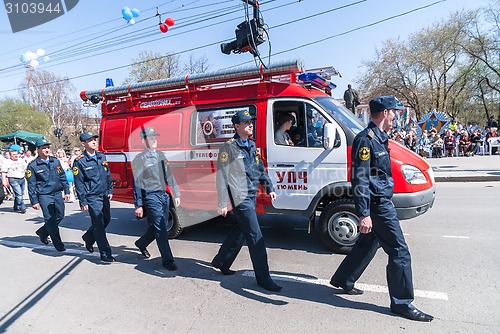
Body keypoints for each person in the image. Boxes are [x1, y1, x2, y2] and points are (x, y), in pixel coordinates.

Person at [330, 95, 433, 322]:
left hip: (381, 201)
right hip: (377, 205)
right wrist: (364, 213)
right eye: (394, 112)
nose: (396, 115)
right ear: (385, 113)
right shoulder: (365, 140)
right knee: (399, 251)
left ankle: (343, 279)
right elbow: (360, 179)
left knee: (369, 242)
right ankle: (402, 303)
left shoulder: (380, 137)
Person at [211, 110, 282, 292]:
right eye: (246, 122)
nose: (251, 125)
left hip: (251, 195)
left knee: (242, 230)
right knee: (255, 236)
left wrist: (269, 188)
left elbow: (259, 169)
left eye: (251, 121)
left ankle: (222, 260)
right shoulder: (229, 148)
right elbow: (221, 177)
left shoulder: (251, 145)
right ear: (237, 126)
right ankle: (264, 279)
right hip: (239, 197)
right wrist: (221, 202)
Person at [132, 127, 181, 271]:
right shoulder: (139, 159)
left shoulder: (161, 156)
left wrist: (176, 193)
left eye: (155, 138)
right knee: (161, 229)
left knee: (159, 225)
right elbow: (137, 183)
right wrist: (138, 204)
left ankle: (142, 243)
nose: (154, 140)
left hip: (163, 196)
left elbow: (169, 176)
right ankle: (168, 260)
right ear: (143, 141)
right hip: (151, 196)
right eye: (151, 138)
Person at [73, 132, 115, 262]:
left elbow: (107, 174)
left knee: (106, 220)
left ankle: (89, 237)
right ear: (84, 143)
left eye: (94, 140)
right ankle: (105, 253)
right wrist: (83, 200)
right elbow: (79, 182)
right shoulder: (80, 161)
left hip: (103, 194)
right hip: (92, 196)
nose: (93, 142)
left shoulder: (101, 157)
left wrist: (109, 189)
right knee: (98, 224)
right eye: (90, 140)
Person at [26, 139, 71, 251]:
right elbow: (31, 185)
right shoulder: (33, 165)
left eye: (48, 147)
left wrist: (67, 191)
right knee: (50, 219)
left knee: (60, 216)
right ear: (38, 150)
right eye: (44, 148)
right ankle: (58, 243)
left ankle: (43, 232)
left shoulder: (55, 161)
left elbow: (62, 177)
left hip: (57, 193)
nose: (47, 150)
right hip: (44, 195)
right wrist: (34, 201)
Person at [1, 144, 28, 213]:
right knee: (19, 194)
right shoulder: (7, 162)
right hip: (13, 179)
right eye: (14, 154)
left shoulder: (21, 160)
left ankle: (16, 206)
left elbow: (26, 169)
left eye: (17, 154)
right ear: (10, 155)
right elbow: (3, 172)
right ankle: (22, 207)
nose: (16, 156)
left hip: (22, 178)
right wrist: (4, 181)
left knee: (20, 194)